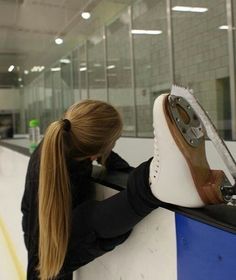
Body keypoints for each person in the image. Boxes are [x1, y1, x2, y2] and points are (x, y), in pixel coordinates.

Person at [21, 96, 223, 279]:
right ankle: (154, 182)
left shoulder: (65, 141)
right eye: (113, 142)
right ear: (93, 152)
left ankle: (151, 180)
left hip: (45, 242)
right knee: (90, 221)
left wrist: (118, 166)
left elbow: (102, 152)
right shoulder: (54, 167)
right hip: (48, 256)